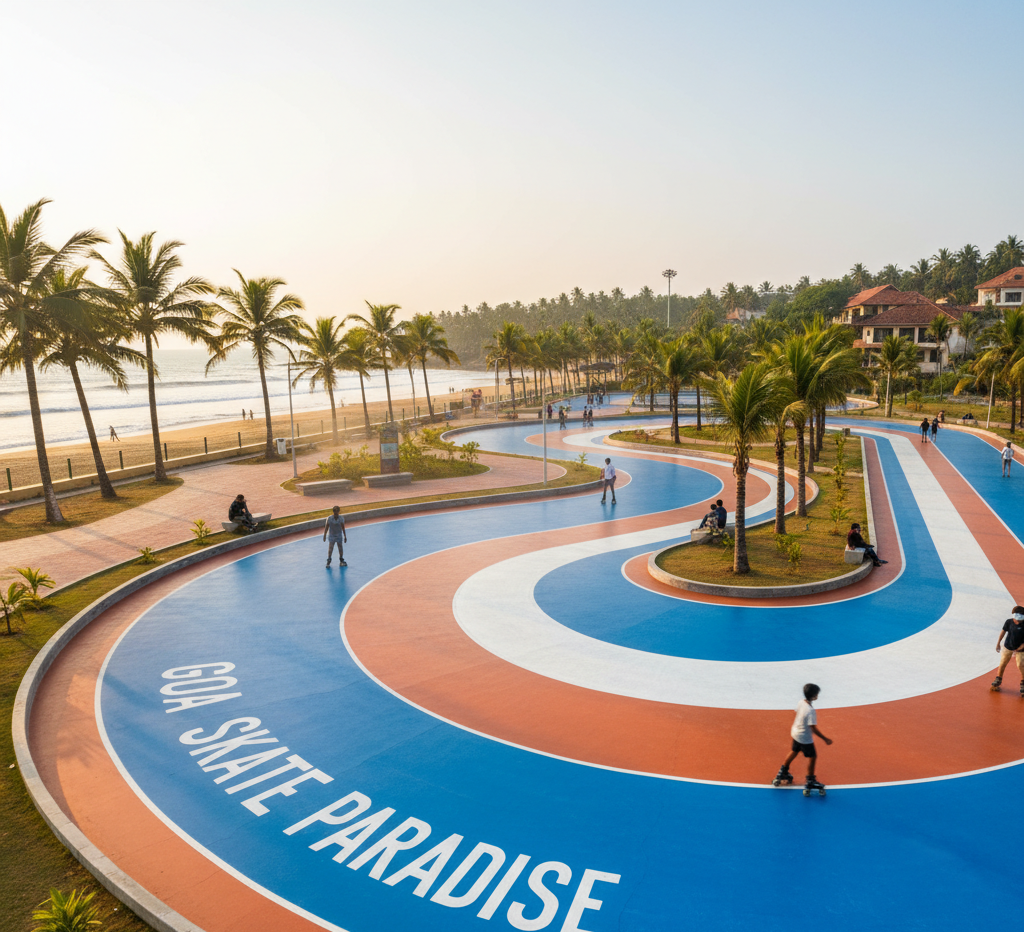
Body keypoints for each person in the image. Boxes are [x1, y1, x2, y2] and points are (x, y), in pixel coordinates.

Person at [773, 683, 832, 794]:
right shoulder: (811, 711)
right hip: (805, 737)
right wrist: (825, 738)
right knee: (812, 757)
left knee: (794, 751)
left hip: (796, 732)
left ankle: (783, 771)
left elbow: (797, 712)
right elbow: (813, 728)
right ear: (814, 696)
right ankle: (810, 779)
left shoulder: (801, 702)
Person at [991, 605, 1024, 694]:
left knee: (1021, 664)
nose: (1017, 620)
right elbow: (1003, 632)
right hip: (1008, 646)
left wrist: (1020, 647)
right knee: (1003, 663)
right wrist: (998, 643)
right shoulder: (1009, 622)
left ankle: (1023, 682)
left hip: (1021, 649)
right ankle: (998, 679)